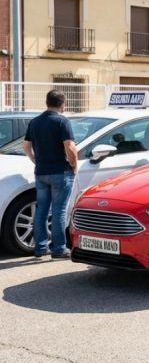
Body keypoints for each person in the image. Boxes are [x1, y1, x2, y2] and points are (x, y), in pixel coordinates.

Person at [22, 90, 77, 259]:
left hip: (41, 172)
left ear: (47, 103)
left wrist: (35, 160)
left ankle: (40, 248)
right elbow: (70, 147)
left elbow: (25, 146)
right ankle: (59, 248)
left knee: (41, 210)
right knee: (59, 211)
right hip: (61, 172)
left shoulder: (35, 122)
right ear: (62, 104)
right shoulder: (62, 121)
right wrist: (74, 165)